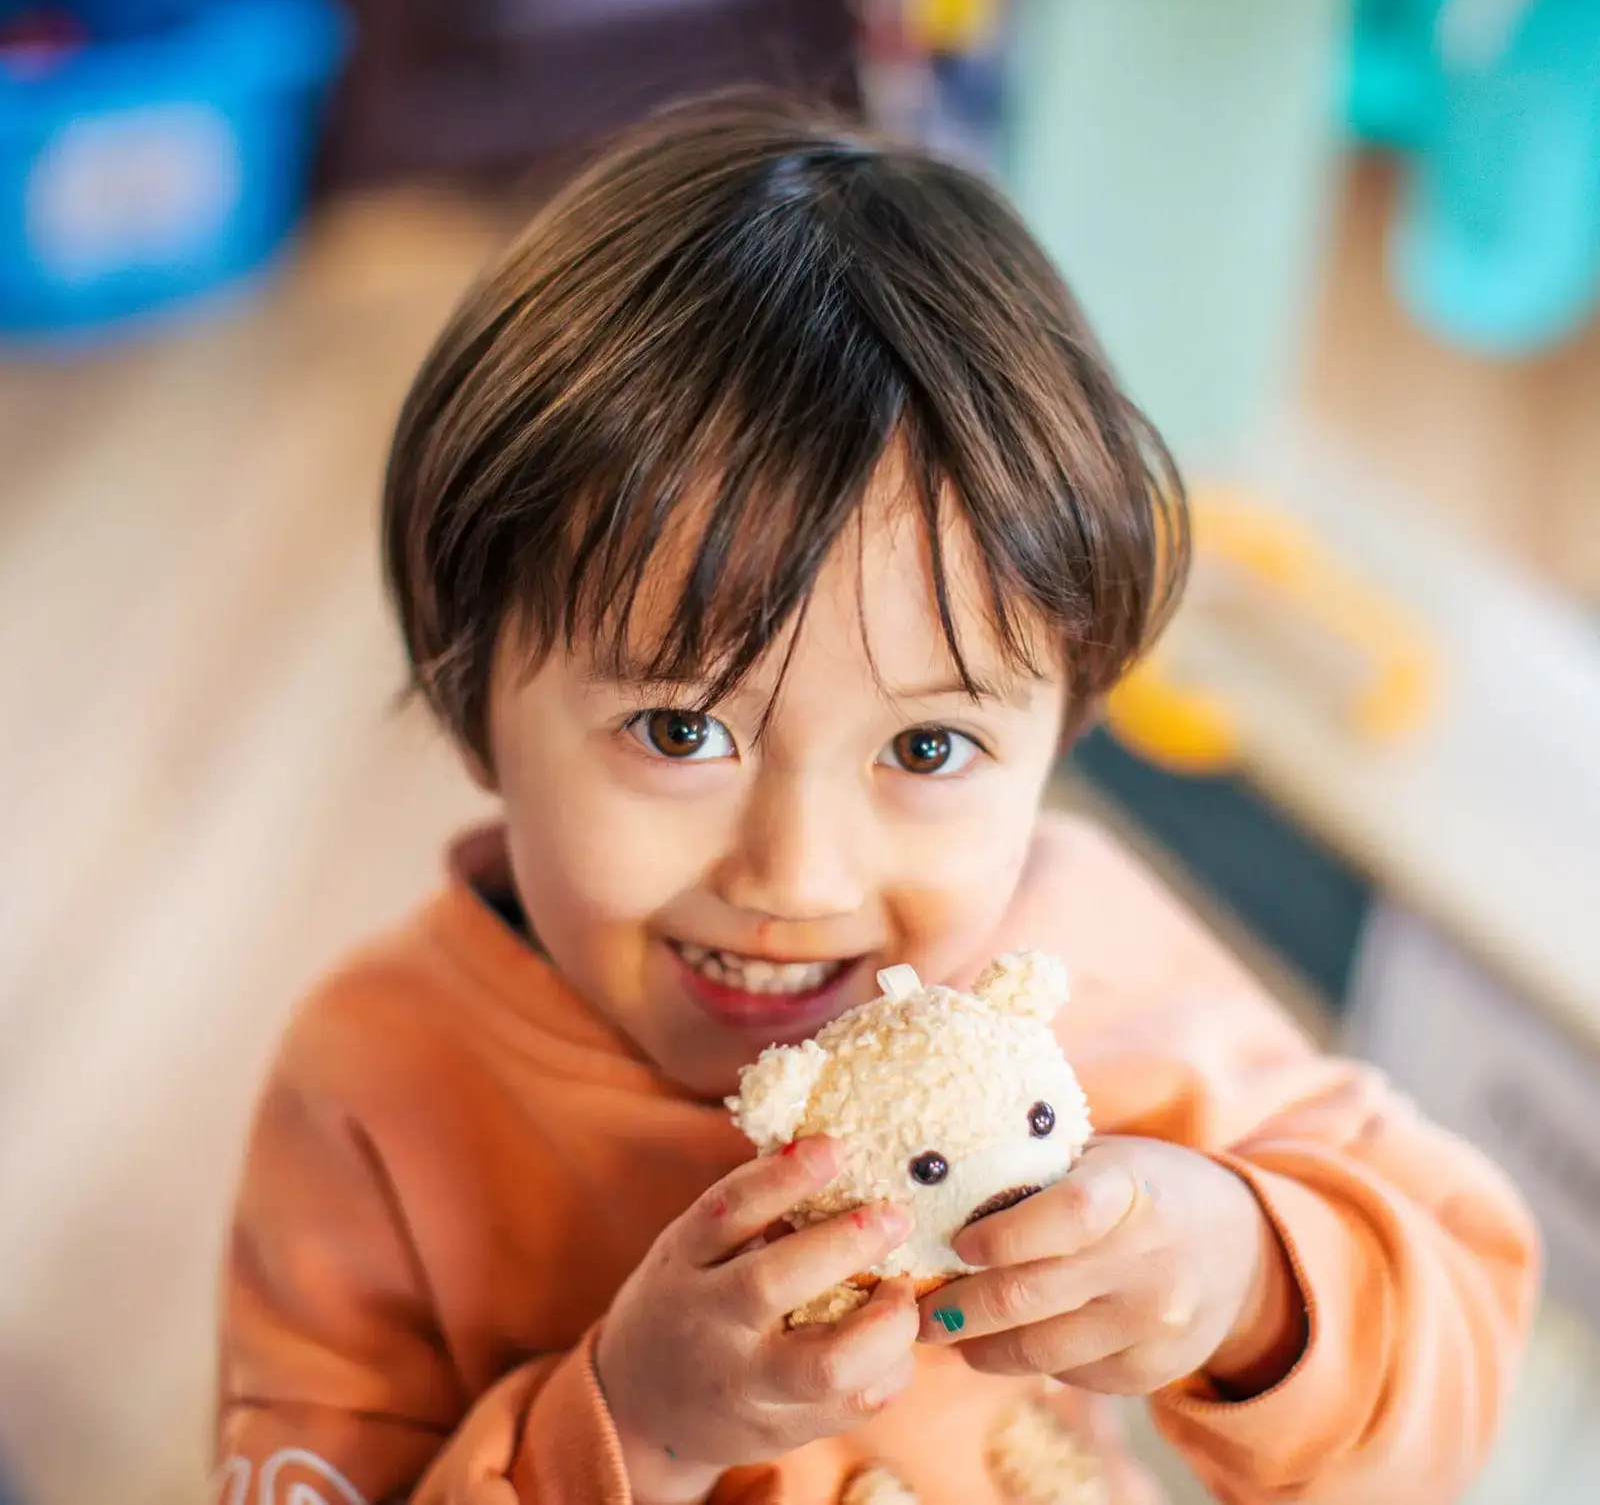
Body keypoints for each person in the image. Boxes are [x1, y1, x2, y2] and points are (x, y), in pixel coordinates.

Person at [213, 94, 1537, 1505]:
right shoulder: (376, 1083)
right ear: (474, 698)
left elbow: (1457, 1312)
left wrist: (1252, 1283)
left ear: (1061, 733)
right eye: (679, 725)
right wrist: (636, 1428)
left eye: (926, 751)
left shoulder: (1087, 961)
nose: (795, 873)